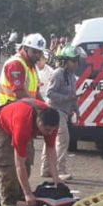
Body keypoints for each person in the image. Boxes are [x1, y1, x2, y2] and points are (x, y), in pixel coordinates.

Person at [0, 98, 63, 206]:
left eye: (52, 130)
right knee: (8, 168)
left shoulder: (51, 122)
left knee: (27, 164)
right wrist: (28, 193)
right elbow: (19, 164)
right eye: (46, 130)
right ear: (38, 122)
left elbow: (51, 151)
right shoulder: (23, 125)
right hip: (1, 125)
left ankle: (18, 201)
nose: (50, 133)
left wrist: (56, 178)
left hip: (20, 120)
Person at [40, 45, 81, 180]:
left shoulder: (71, 76)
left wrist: (76, 109)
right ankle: (59, 170)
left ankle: (46, 169)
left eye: (76, 61)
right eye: (73, 61)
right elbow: (49, 93)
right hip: (54, 110)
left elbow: (73, 94)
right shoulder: (58, 74)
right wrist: (67, 99)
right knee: (63, 140)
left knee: (50, 141)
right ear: (65, 61)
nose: (76, 64)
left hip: (63, 111)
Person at [0, 33, 46, 110]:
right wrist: (38, 106)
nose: (37, 55)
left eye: (40, 52)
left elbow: (36, 93)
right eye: (34, 51)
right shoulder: (16, 64)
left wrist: (46, 107)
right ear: (26, 48)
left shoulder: (31, 65)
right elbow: (19, 93)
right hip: (7, 110)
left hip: (22, 110)